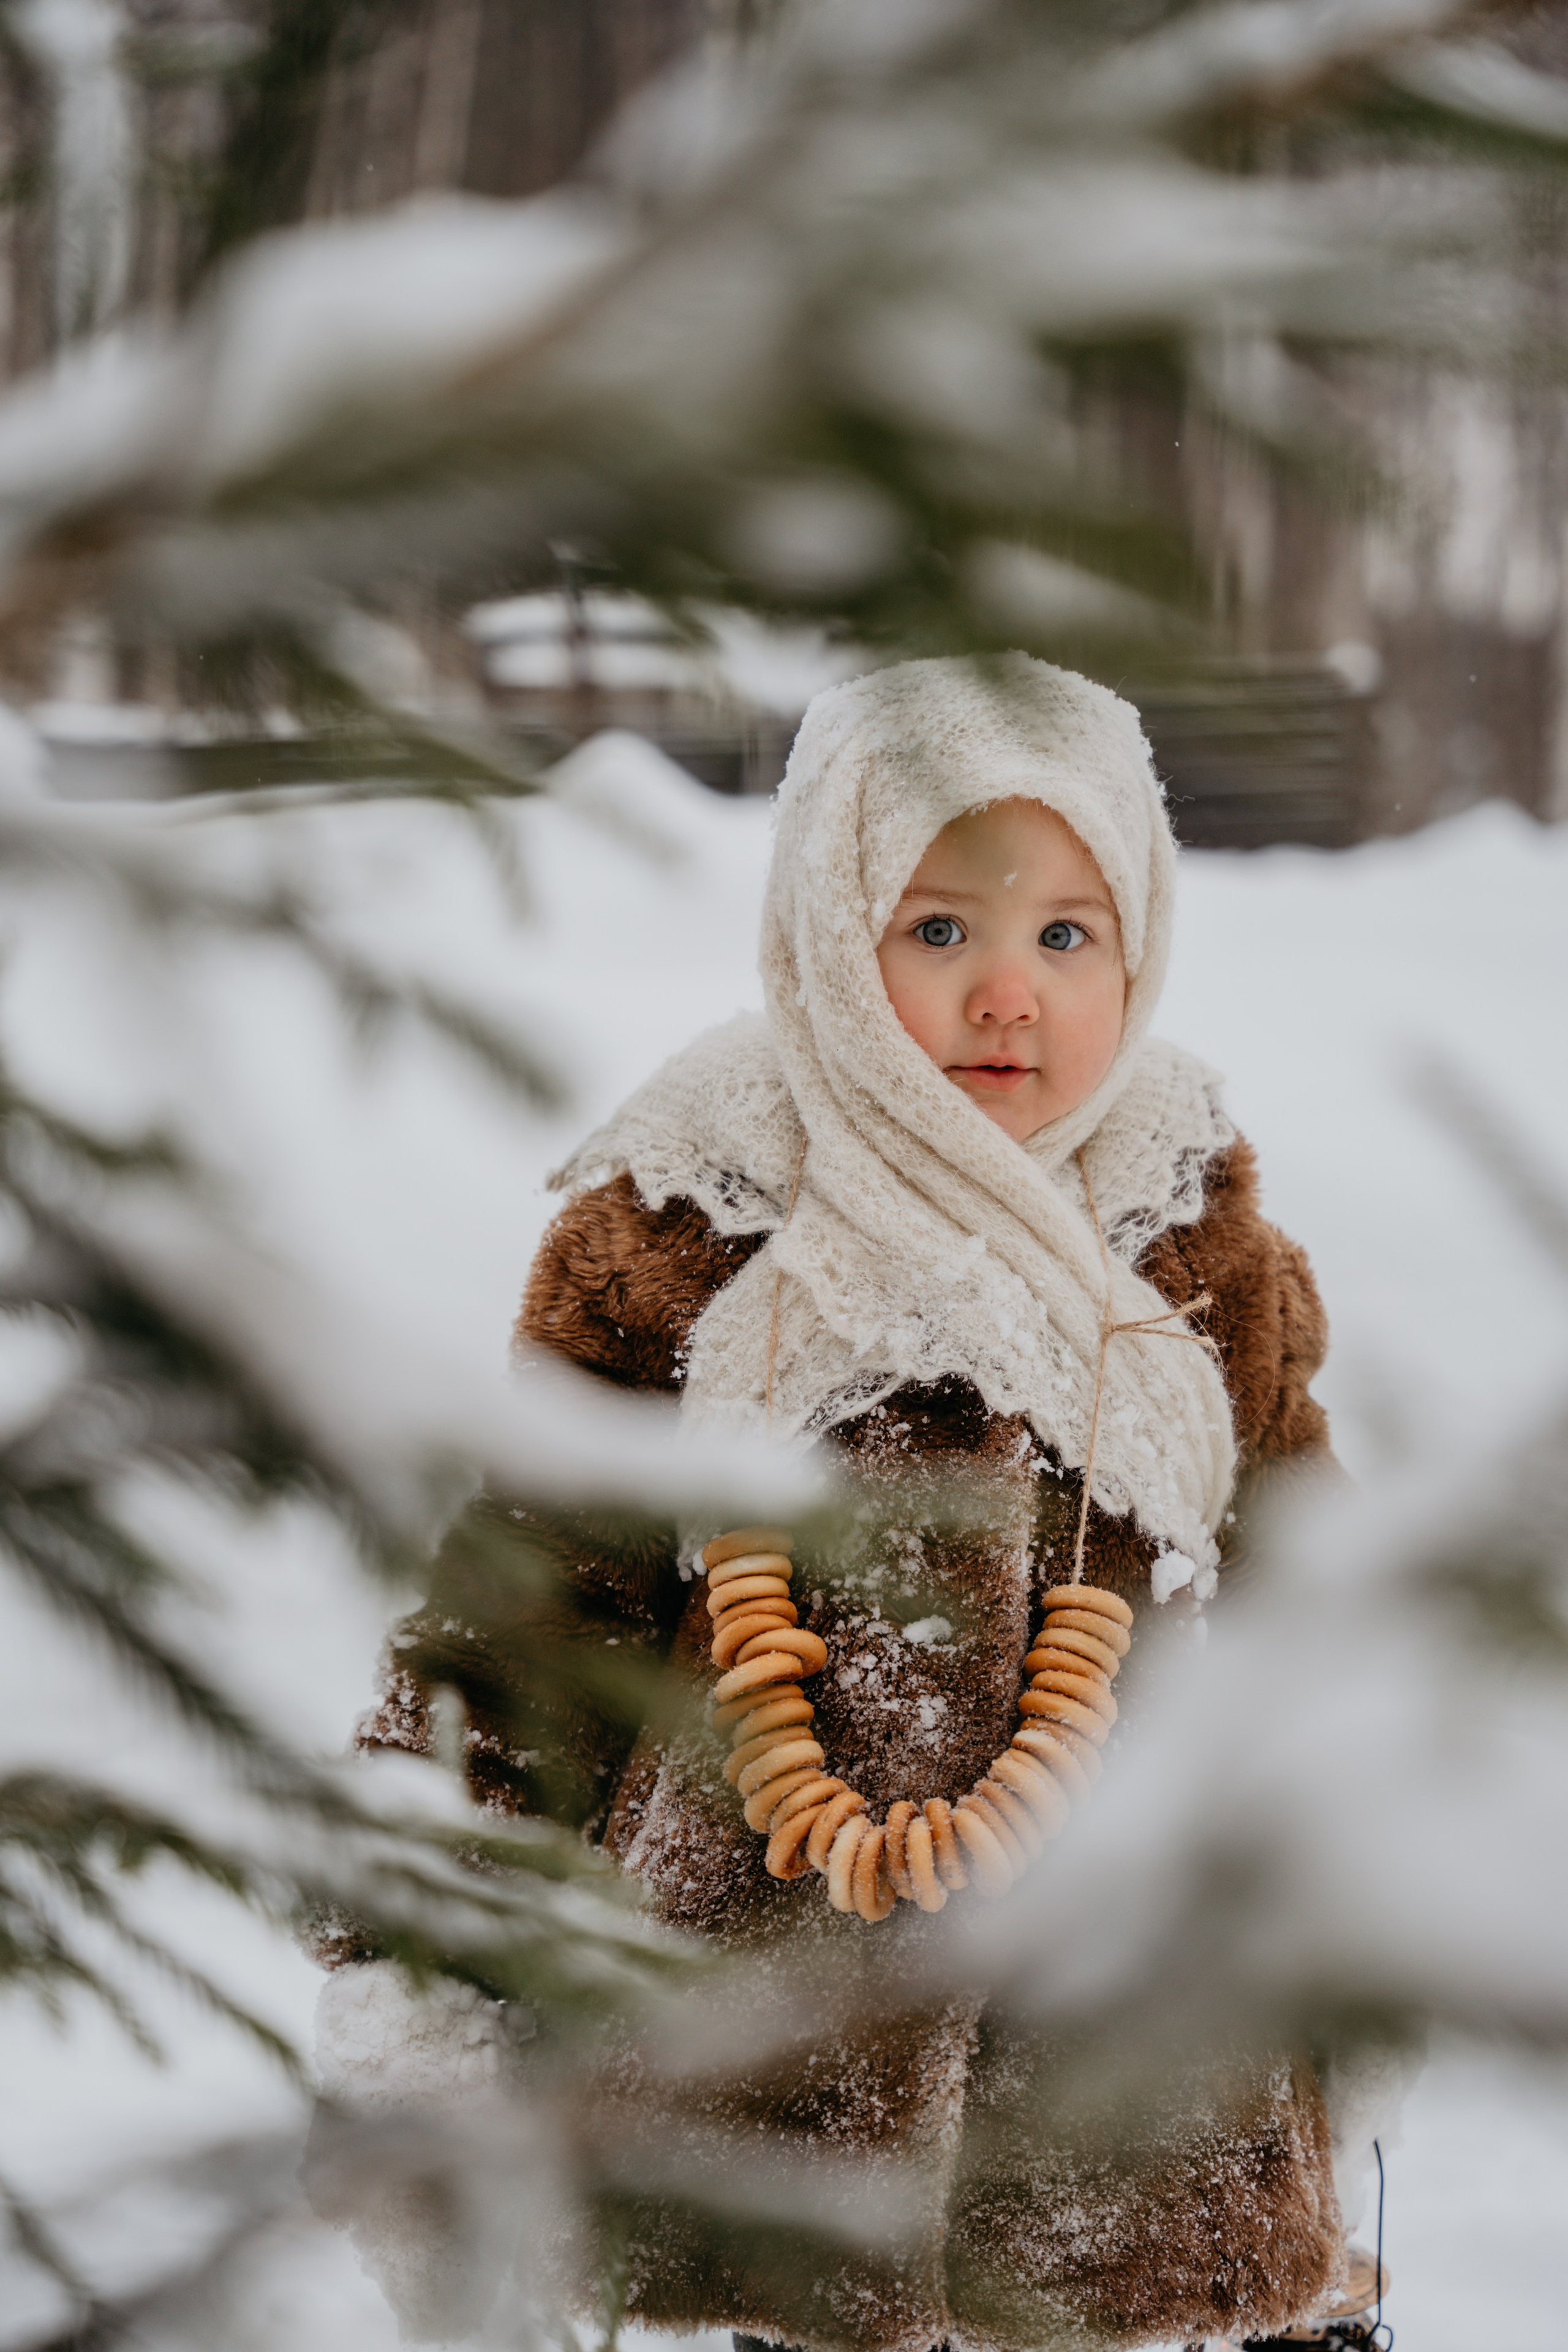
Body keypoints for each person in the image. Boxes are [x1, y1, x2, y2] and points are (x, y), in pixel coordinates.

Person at [321, 656, 1382, 2351]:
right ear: (829, 922)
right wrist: (429, 1941)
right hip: (752, 2060)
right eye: (938, 928)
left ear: (1143, 944)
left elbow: (1313, 1617)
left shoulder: (1199, 1259)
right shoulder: (690, 1230)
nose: (1008, 997)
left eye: (1067, 934)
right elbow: (536, 1599)